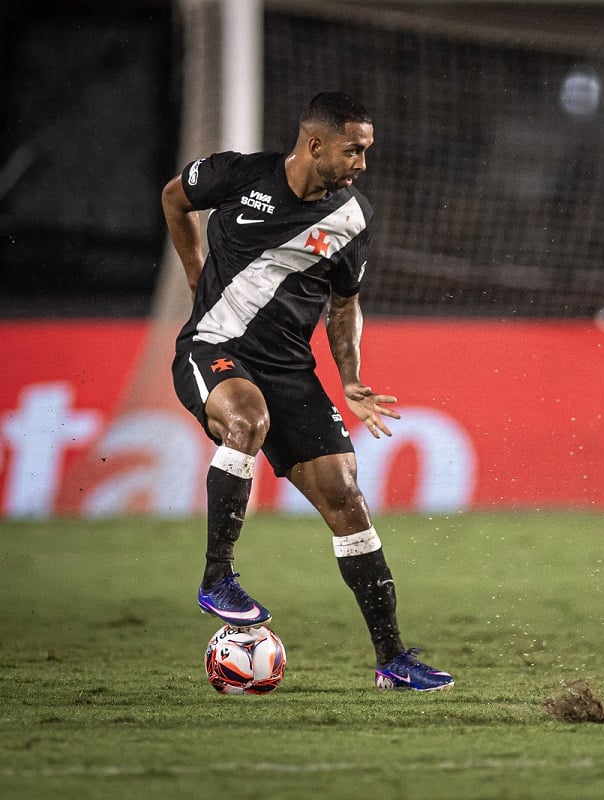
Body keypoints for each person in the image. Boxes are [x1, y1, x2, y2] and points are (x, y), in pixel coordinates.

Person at [162, 91, 453, 692]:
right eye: (354, 150)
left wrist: (350, 379)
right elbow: (174, 197)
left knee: (347, 498)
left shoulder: (352, 218)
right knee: (246, 419)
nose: (362, 164)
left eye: (367, 151)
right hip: (214, 346)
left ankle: (391, 660)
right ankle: (218, 577)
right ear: (315, 144)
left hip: (291, 370)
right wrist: (194, 273)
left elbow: (344, 308)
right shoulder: (239, 175)